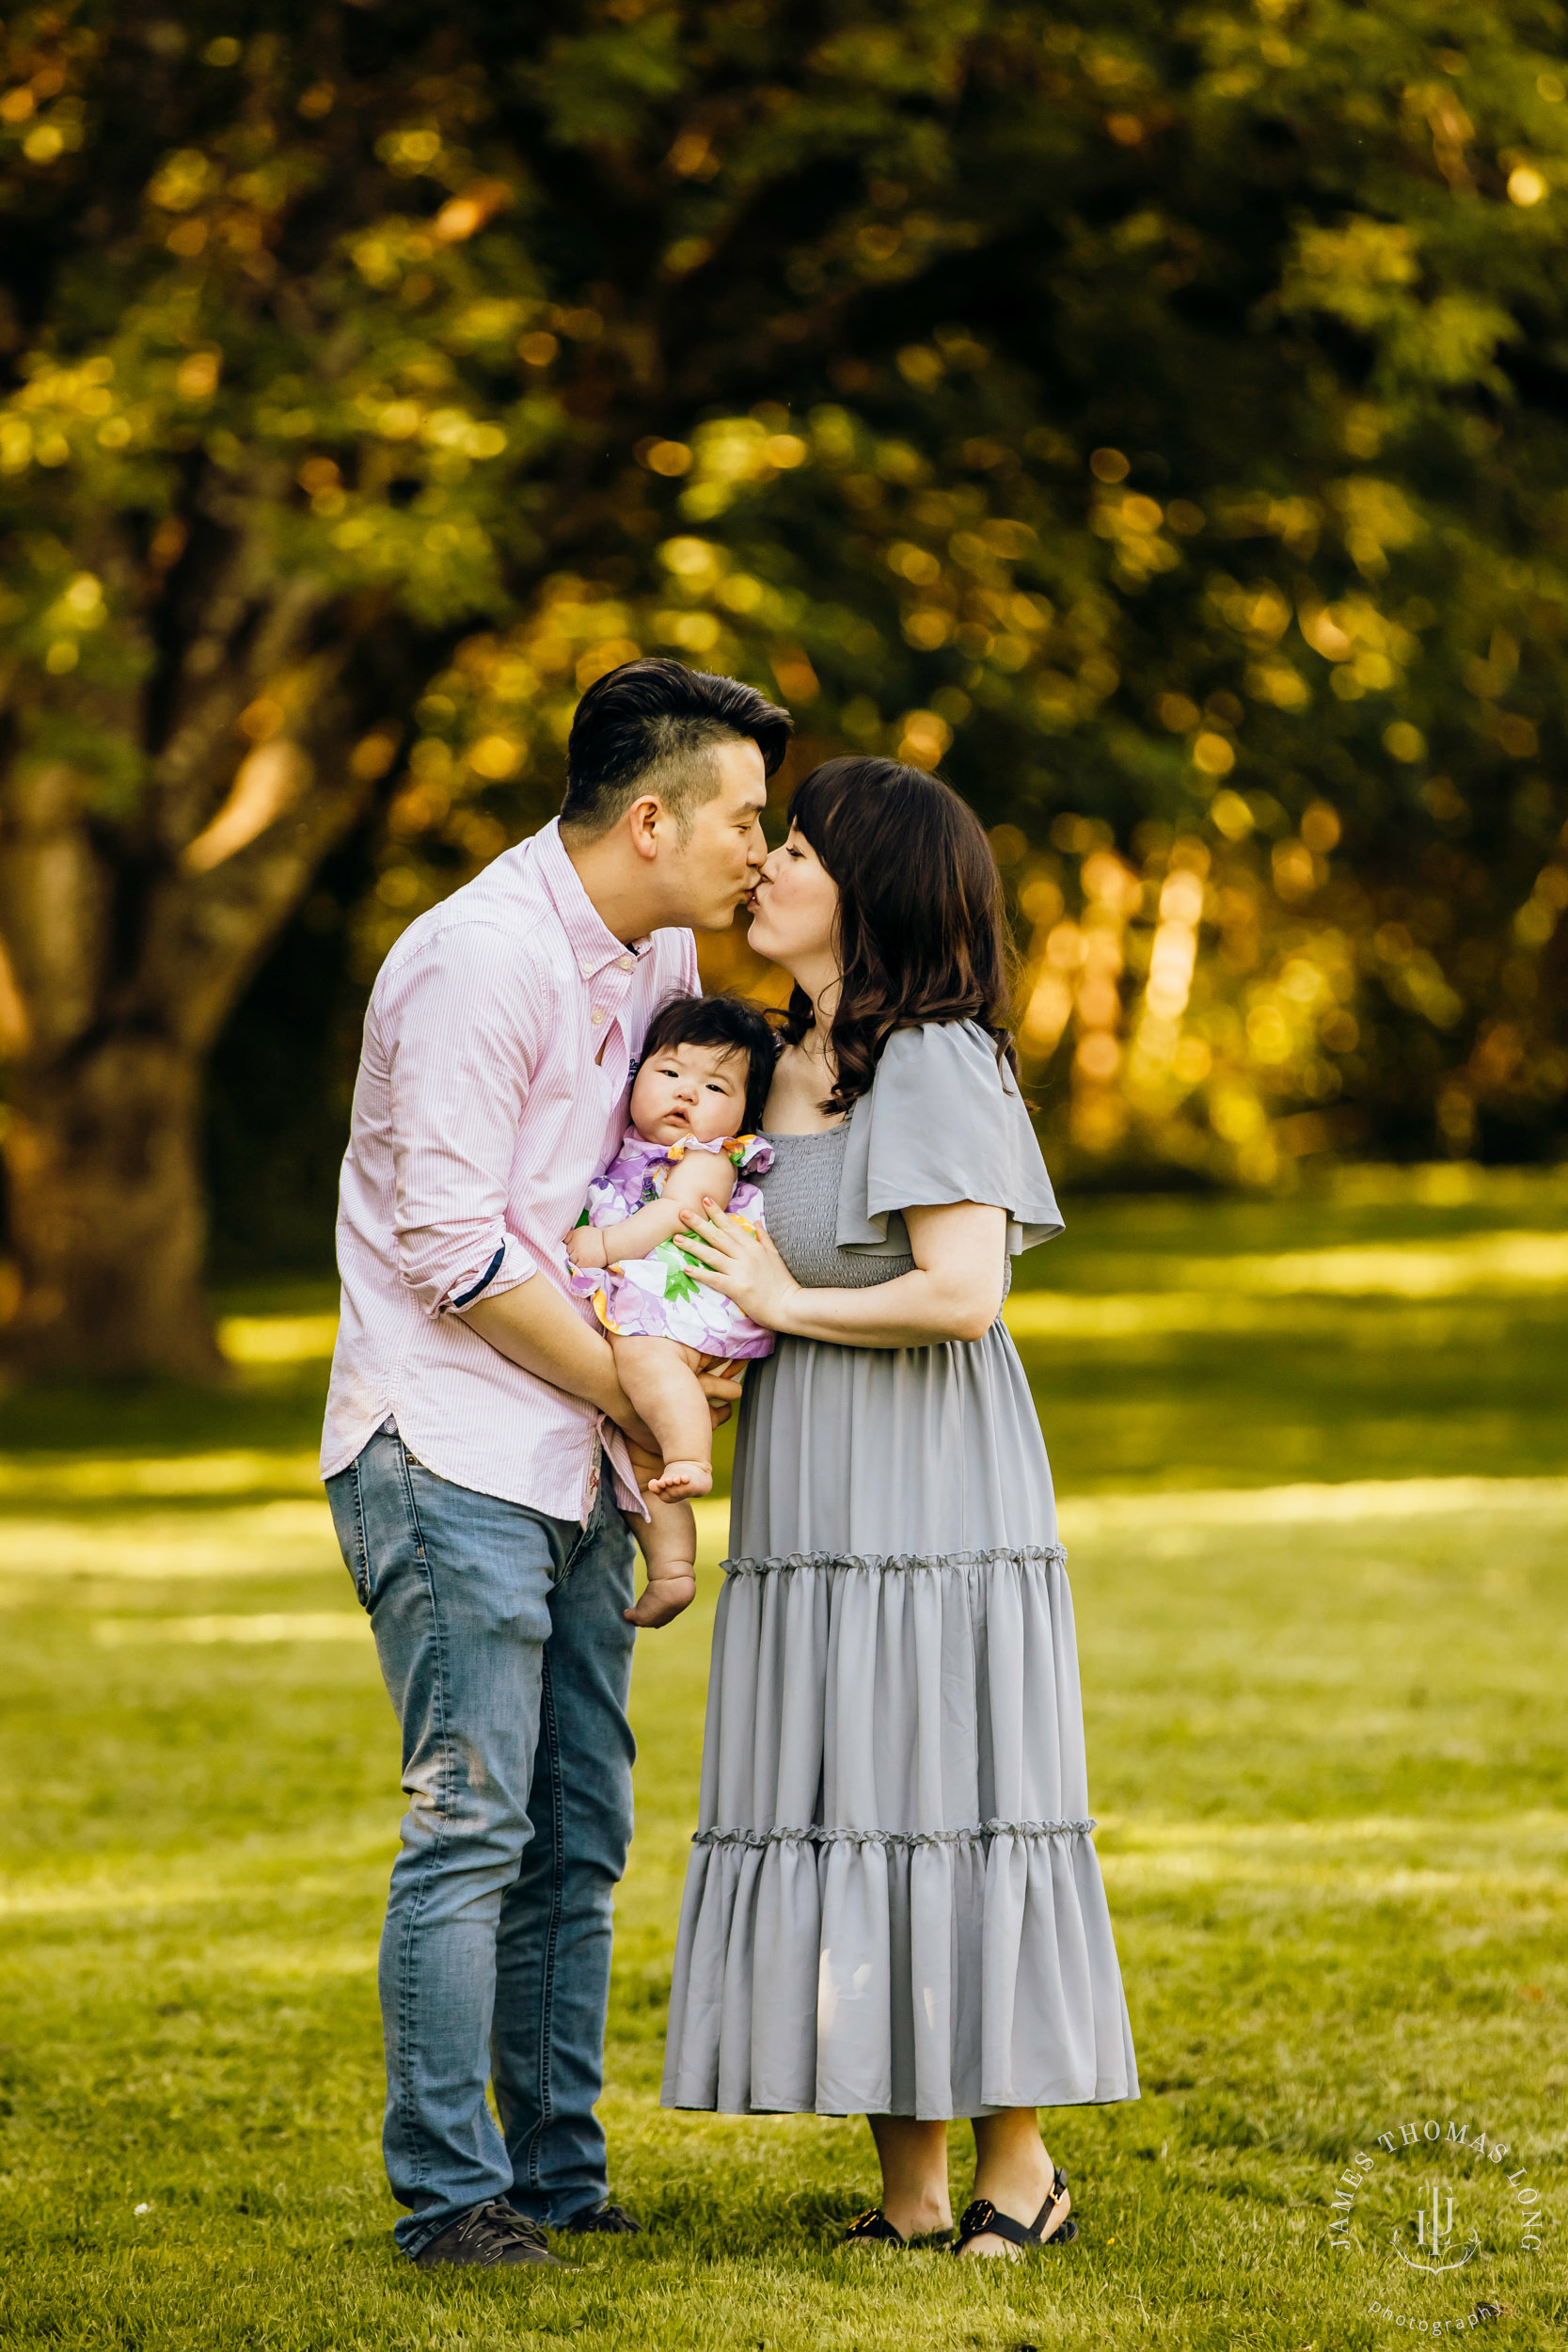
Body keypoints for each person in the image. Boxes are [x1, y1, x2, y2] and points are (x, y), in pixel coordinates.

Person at [320, 658, 791, 2268]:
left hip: (576, 1453)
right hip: (444, 1442)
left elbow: (632, 1179)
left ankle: (561, 2183)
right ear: (648, 816)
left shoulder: (648, 943)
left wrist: (661, 1379)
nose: (759, 847)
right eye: (742, 818)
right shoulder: (478, 961)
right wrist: (647, 1400)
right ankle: (452, 2198)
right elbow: (454, 1249)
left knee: (577, 1829)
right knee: (473, 1828)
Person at [661, 755, 1138, 2260]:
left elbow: (959, 1293)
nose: (765, 869)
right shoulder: (781, 1060)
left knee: (947, 1792)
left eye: (791, 848)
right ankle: (910, 2195)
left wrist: (780, 1301)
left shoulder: (931, 1056)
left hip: (929, 1487)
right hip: (811, 1490)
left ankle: (1020, 2176)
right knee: (848, 1798)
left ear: (862, 893)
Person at [565, 993, 780, 1628]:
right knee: (638, 1461)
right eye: (669, 1073)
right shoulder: (632, 1148)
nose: (686, 1094)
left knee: (643, 1361)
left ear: (745, 1110)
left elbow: (671, 1215)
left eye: (714, 1085)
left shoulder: (709, 1160)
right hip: (656, 1304)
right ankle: (672, 1570)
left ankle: (691, 1456)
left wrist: (603, 1245)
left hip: (686, 1304)